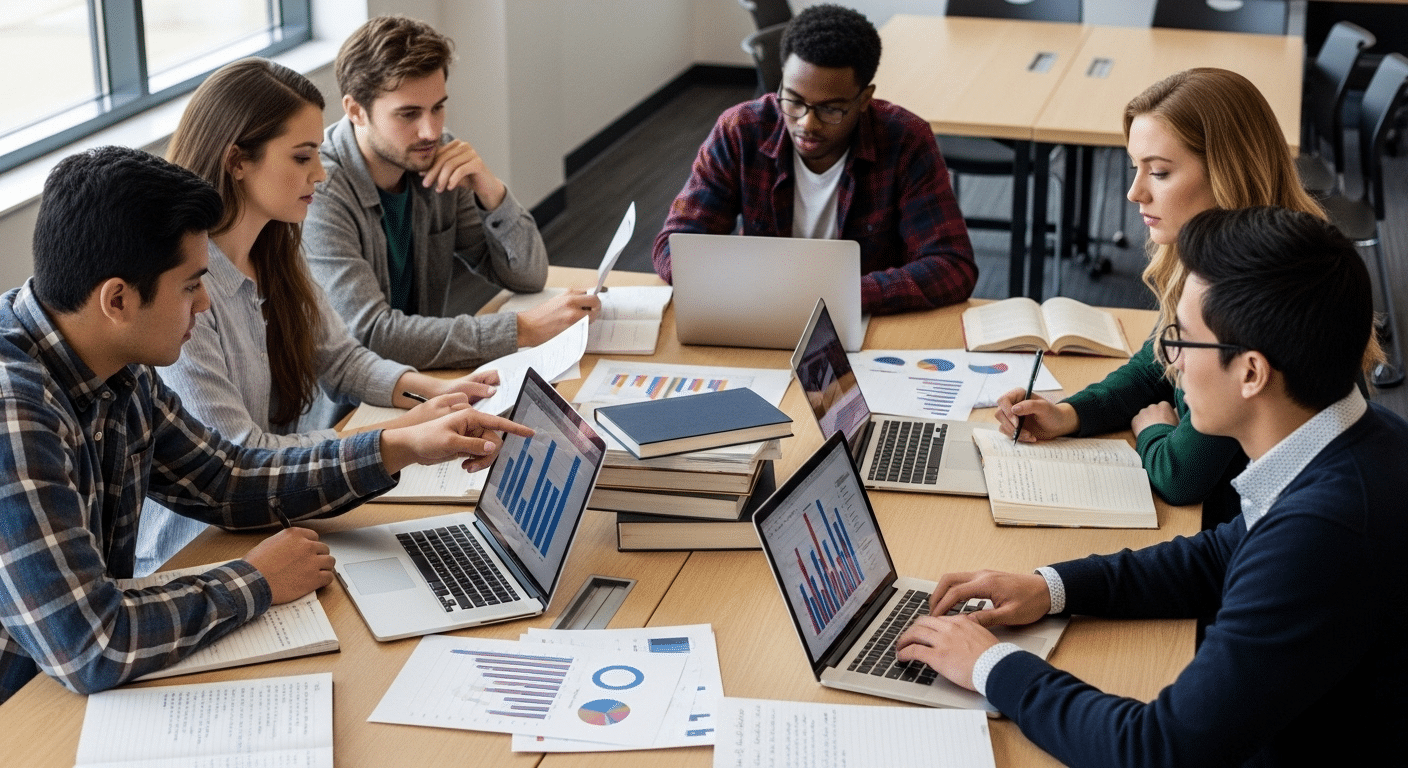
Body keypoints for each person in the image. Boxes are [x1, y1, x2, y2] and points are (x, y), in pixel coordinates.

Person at [0, 146, 531, 702]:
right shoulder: (18, 411)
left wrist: (400, 446)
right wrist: (255, 582)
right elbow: (92, 642)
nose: (205, 304)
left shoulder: (116, 367)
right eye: (190, 285)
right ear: (117, 299)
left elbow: (226, 479)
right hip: (23, 705)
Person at [897, 206, 1407, 767]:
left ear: (1252, 373)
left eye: (1183, 341)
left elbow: (1157, 750)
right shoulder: (1358, 436)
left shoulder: (1325, 532)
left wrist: (990, 666)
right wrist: (1051, 587)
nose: (1169, 360)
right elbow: (1225, 554)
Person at [133, 59, 504, 576]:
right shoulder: (186, 290)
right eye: (303, 156)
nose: (321, 173)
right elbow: (238, 455)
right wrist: (396, 441)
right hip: (199, 552)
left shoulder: (276, 249)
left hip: (268, 518)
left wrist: (430, 392)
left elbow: (342, 358)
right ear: (237, 161)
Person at [996, 68, 1328, 524]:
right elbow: (1158, 362)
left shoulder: (1255, 288)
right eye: (1136, 168)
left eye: (1159, 172)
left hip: (1248, 530)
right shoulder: (1211, 252)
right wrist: (1070, 413)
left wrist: (1153, 431)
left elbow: (1181, 474)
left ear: (1227, 172)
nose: (1135, 192)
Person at [303, 15, 598, 370]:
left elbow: (529, 275)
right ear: (356, 111)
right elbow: (371, 335)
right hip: (349, 410)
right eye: (408, 114)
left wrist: (491, 190)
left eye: (438, 108)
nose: (430, 131)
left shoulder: (435, 159)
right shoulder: (321, 190)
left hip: (422, 377)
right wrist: (521, 329)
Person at [650, 3, 977, 315]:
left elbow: (952, 265)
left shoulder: (905, 139)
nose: (807, 123)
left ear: (864, 99)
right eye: (793, 101)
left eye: (830, 108)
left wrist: (835, 294)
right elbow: (675, 245)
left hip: (860, 318)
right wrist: (749, 289)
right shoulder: (741, 130)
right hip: (760, 310)